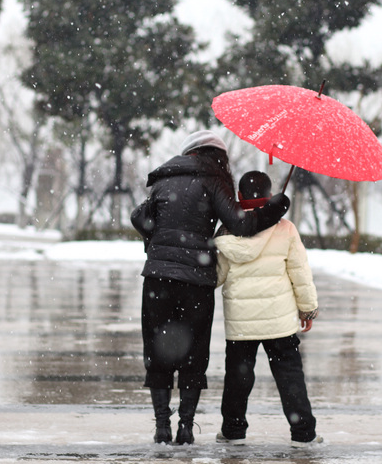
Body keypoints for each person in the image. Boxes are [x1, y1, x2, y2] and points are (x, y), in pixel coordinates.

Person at [131, 131, 290, 445]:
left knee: (158, 353)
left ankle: (162, 426)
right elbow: (241, 223)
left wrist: (156, 244)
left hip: (158, 280)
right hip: (196, 284)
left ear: (189, 152)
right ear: (217, 156)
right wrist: (274, 208)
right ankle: (186, 428)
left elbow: (139, 217)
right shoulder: (214, 180)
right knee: (193, 356)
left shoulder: (164, 179)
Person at [214, 170, 322, 448]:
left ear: (239, 196)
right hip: (280, 321)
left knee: (238, 379)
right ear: (270, 194)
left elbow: (217, 276)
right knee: (290, 377)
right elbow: (300, 273)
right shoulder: (285, 229)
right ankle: (303, 434)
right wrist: (307, 309)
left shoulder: (228, 230)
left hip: (241, 323)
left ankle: (233, 431)